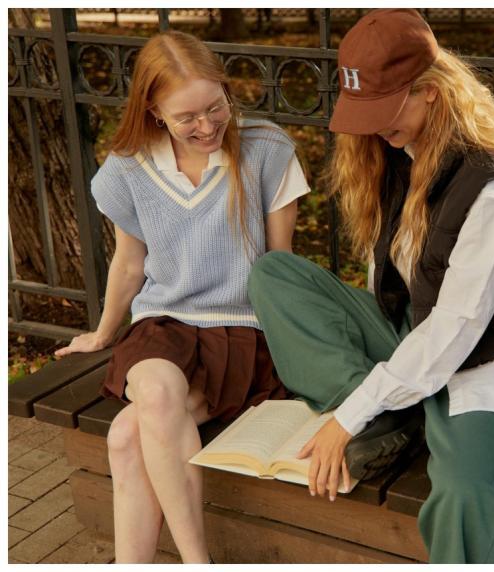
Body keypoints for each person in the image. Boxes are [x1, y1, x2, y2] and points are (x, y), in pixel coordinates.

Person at [248, 8, 494, 564]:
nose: (377, 125)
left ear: (431, 91)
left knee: (465, 493)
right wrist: (372, 395)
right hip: (415, 336)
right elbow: (398, 289)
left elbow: (457, 329)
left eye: (387, 107)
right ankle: (398, 413)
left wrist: (346, 418)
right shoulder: (396, 157)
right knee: (274, 275)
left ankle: (391, 411)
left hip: (487, 361)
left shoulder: (492, 188)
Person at [54, 30, 309, 563]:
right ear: (153, 110)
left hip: (243, 328)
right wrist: (102, 334)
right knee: (158, 394)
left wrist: (299, 353)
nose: (208, 125)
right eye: (187, 117)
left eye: (216, 106)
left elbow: (278, 267)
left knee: (127, 440)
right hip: (163, 324)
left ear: (224, 87)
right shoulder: (129, 168)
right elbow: (129, 261)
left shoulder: (265, 148)